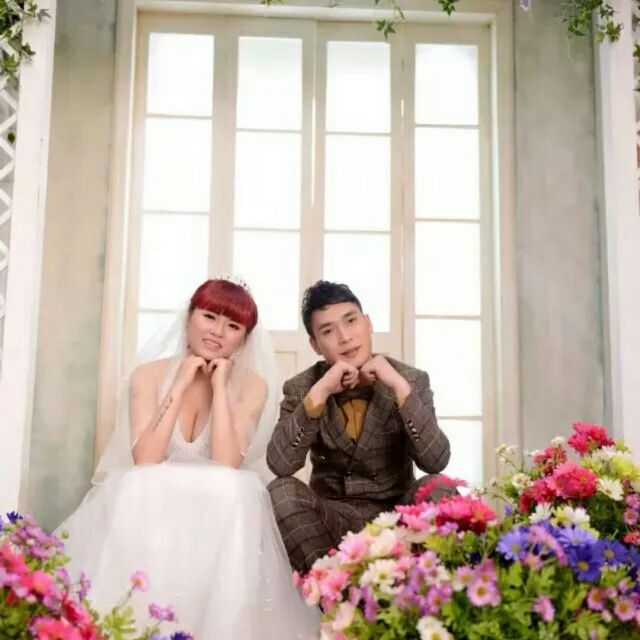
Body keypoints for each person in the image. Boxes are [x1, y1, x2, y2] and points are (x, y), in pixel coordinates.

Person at [56, 278, 318, 640]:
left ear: (244, 338)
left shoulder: (253, 385)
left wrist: (219, 387)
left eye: (233, 326)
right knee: (136, 483)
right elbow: (146, 458)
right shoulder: (148, 375)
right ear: (189, 317)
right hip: (154, 498)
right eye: (209, 317)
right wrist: (178, 385)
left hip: (218, 502)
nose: (218, 332)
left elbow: (227, 461)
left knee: (236, 487)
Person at [267, 280, 455, 573]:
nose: (345, 337)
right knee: (281, 491)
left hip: (399, 514)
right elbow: (280, 464)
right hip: (334, 519)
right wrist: (321, 391)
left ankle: (418, 592)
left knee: (440, 486)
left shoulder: (410, 379)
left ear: (367, 323)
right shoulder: (303, 387)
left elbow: (436, 460)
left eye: (351, 321)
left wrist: (398, 387)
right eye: (328, 331)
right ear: (315, 345)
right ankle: (332, 592)